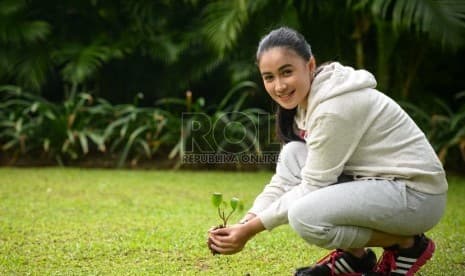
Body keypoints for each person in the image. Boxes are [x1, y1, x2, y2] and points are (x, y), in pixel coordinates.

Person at [207, 26, 448, 276]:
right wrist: (246, 221)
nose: (278, 86)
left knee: (304, 216)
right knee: (292, 154)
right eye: (269, 77)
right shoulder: (307, 102)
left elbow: (312, 186)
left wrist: (250, 231)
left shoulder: (332, 107)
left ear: (310, 65)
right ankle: (355, 259)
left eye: (286, 72)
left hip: (417, 196)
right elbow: (285, 181)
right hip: (382, 184)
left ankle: (407, 245)